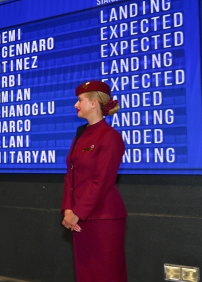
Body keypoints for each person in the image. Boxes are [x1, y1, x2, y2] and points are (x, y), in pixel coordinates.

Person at [61, 80, 127, 282]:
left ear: (94, 103)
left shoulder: (110, 136)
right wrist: (68, 209)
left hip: (103, 219)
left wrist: (78, 212)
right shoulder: (80, 135)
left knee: (106, 275)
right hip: (80, 219)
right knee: (85, 275)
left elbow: (102, 181)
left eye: (80, 100)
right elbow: (70, 175)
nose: (76, 105)